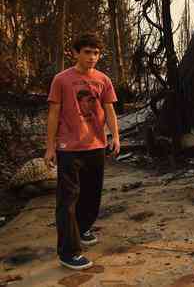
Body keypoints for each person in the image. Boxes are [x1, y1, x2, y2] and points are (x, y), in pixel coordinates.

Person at [44, 33, 120, 270]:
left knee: (91, 195)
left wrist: (115, 135)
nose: (92, 57)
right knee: (67, 200)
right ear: (75, 53)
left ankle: (82, 227)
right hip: (69, 147)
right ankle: (68, 252)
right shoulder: (62, 80)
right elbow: (54, 114)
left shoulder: (103, 80)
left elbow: (109, 110)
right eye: (87, 52)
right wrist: (50, 147)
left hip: (96, 145)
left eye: (96, 53)